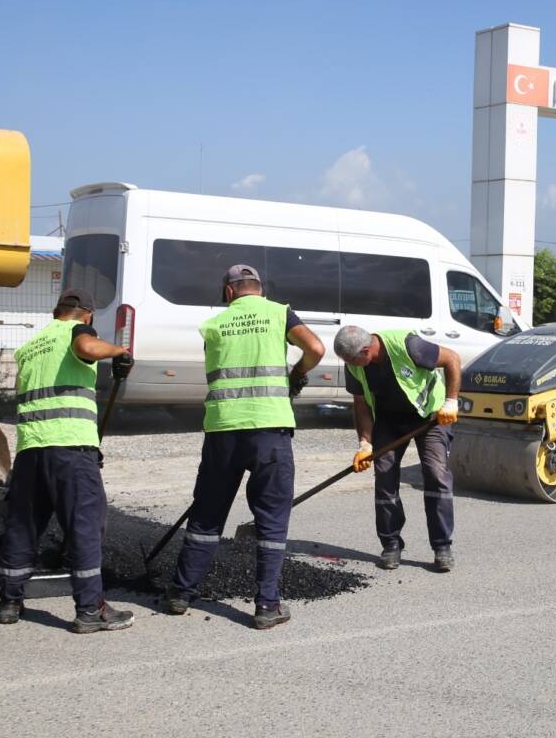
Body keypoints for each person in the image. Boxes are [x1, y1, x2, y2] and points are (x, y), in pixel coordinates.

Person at [165, 264, 324, 629]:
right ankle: (267, 605)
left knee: (207, 514)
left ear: (229, 292)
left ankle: (180, 593)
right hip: (269, 429)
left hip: (222, 430)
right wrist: (296, 374)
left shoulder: (214, 325)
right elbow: (315, 348)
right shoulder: (279, 313)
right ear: (258, 289)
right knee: (271, 520)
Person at [0, 288, 136, 633]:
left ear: (55, 311)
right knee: (86, 526)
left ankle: (9, 602)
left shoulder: (30, 347)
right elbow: (87, 348)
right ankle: (90, 609)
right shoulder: (77, 332)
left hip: (31, 451)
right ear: (86, 315)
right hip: (71, 450)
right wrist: (119, 350)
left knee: (23, 527)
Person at [333, 325, 461, 572]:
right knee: (384, 475)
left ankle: (442, 546)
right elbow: (360, 405)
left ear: (367, 349)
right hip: (389, 420)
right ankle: (391, 544)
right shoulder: (354, 364)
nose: (351, 366)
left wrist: (451, 401)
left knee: (436, 474)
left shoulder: (409, 346)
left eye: (352, 360)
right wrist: (365, 443)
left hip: (430, 416)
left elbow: (452, 359)